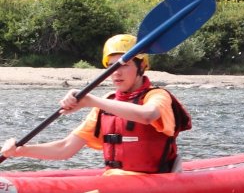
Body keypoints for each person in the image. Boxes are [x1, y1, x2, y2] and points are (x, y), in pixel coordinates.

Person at [1, 34, 192, 175]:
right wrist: (20, 151)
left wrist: (89, 100)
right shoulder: (107, 102)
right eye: (110, 66)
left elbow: (147, 115)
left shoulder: (158, 96)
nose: (115, 73)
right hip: (113, 180)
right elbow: (65, 148)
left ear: (141, 67)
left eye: (123, 65)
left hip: (154, 183)